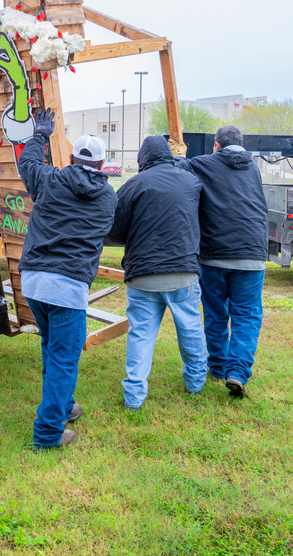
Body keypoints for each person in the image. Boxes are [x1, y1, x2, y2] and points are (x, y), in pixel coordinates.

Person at [18, 110, 117, 449]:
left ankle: (62, 406)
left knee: (52, 347)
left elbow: (27, 163)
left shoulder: (50, 179)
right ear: (103, 165)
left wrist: (40, 135)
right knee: (63, 358)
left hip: (33, 282)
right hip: (68, 288)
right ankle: (47, 434)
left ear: (72, 157)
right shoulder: (108, 197)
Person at [108, 135, 206, 407]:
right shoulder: (191, 182)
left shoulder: (133, 185)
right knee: (190, 329)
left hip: (142, 275)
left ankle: (134, 397)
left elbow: (115, 231)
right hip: (183, 272)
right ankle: (196, 382)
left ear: (143, 160)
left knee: (140, 334)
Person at [179, 125, 268, 398]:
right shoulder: (253, 168)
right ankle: (237, 372)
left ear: (216, 145)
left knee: (216, 312)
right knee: (247, 315)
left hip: (214, 254)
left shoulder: (203, 164)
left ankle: (216, 366)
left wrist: (178, 153)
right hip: (252, 253)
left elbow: (176, 170)